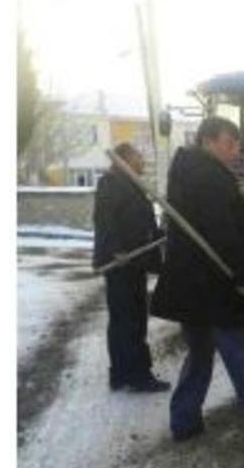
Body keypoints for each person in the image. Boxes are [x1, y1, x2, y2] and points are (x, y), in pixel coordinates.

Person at [150, 117, 244, 451]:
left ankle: (184, 421)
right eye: (230, 143)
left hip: (194, 288)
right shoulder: (208, 176)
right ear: (208, 141)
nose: (236, 150)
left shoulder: (188, 170)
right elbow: (223, 233)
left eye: (237, 143)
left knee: (199, 356)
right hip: (219, 288)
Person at [92, 143, 170, 393]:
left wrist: (160, 234)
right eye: (138, 156)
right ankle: (137, 375)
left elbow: (140, 221)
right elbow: (104, 219)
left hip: (133, 260)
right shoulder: (112, 182)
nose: (142, 160)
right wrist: (116, 249)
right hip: (122, 262)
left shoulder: (131, 184)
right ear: (124, 158)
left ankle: (121, 374)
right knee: (129, 320)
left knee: (125, 318)